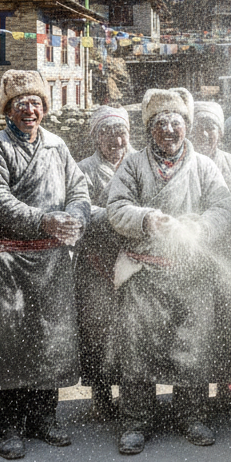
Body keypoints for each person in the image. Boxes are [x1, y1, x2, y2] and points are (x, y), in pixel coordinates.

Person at [107, 87, 231, 455]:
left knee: (192, 346)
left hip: (191, 274)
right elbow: (116, 207)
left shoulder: (205, 167)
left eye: (175, 123)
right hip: (143, 274)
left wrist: (200, 228)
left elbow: (222, 209)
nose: (168, 130)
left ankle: (192, 415)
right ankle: (135, 421)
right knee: (137, 349)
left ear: (186, 126)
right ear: (149, 128)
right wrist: (147, 220)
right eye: (160, 123)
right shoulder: (132, 165)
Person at [0, 70, 89, 460]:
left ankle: (44, 418)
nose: (30, 109)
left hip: (52, 260)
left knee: (49, 340)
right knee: (8, 343)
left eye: (36, 102)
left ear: (44, 109)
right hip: (10, 258)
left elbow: (79, 189)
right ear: (7, 109)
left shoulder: (57, 146)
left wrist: (74, 216)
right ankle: (7, 426)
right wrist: (43, 219)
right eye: (21, 103)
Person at [76, 105, 132, 421]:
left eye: (121, 132)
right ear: (97, 137)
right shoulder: (83, 169)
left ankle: (131, 395)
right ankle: (101, 396)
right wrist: (119, 217)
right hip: (94, 265)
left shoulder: (138, 165)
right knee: (97, 330)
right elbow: (81, 208)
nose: (116, 140)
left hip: (132, 263)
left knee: (129, 330)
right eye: (108, 134)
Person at [190, 100, 231, 408]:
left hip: (226, 254)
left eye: (211, 128)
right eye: (199, 127)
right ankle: (195, 389)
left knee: (227, 322)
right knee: (197, 324)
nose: (204, 133)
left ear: (221, 133)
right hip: (192, 254)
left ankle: (225, 382)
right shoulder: (185, 163)